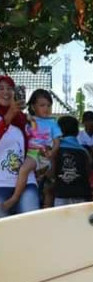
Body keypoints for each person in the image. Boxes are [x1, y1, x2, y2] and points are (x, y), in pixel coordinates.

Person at [1, 89, 61, 212]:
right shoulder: (28, 120)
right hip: (30, 153)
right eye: (42, 105)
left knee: (23, 170)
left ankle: (15, 198)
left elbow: (57, 142)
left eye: (49, 106)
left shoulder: (52, 123)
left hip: (39, 154)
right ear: (33, 107)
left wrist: (51, 153)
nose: (46, 108)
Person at [0, 75, 40, 217]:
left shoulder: (25, 119)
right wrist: (10, 114)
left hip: (26, 184)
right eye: (1, 88)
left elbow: (36, 145)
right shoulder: (10, 116)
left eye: (10, 88)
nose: (6, 92)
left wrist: (34, 160)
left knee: (31, 228)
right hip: (1, 184)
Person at [53, 116, 92, 207]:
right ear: (77, 131)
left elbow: (51, 172)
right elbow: (88, 172)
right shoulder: (84, 151)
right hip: (81, 194)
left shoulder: (56, 150)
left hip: (61, 194)